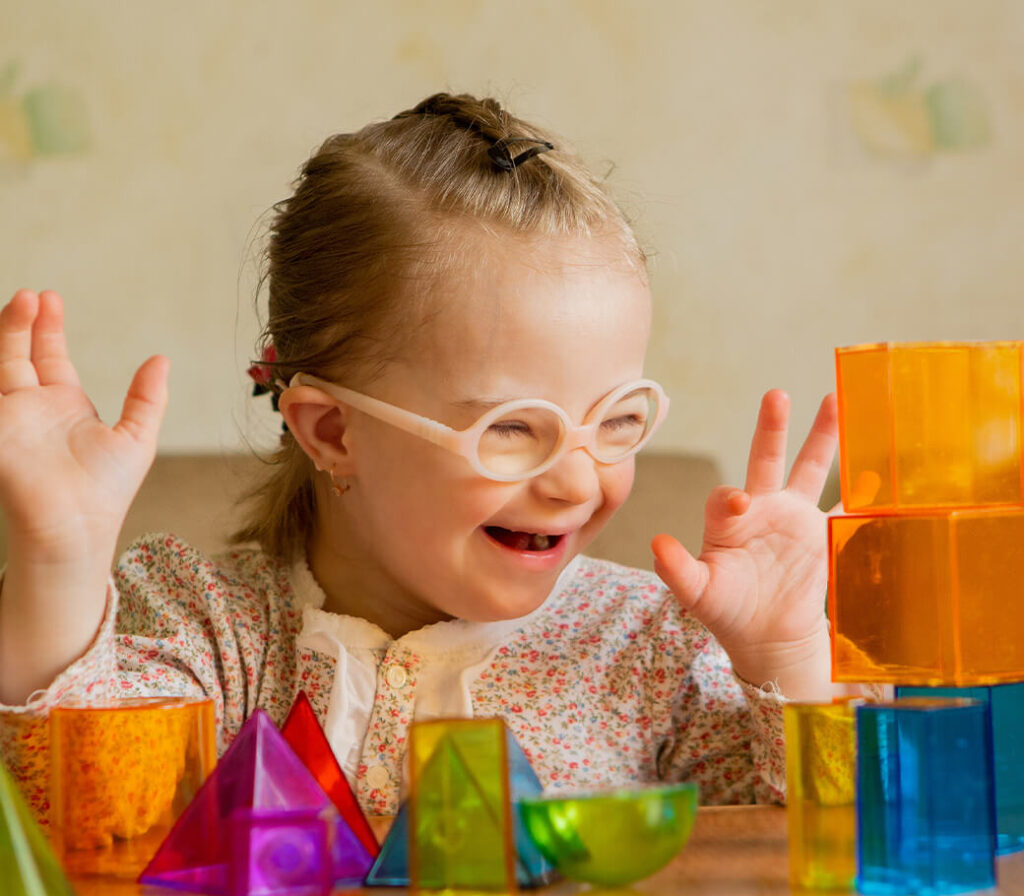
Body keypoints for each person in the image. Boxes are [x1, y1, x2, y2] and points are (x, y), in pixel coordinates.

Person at [0, 93, 837, 822]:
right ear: (332, 432)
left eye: (617, 419)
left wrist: (788, 660)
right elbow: (80, 818)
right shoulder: (204, 635)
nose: (579, 481)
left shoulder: (645, 646)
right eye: (513, 428)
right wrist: (58, 563)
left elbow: (818, 862)